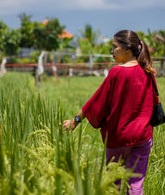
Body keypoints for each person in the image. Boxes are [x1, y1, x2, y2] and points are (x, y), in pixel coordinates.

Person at [63, 30, 159, 195]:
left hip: (118, 138)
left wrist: (75, 120)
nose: (112, 51)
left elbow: (96, 102)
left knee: (112, 185)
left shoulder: (117, 72)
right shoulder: (147, 71)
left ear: (128, 49)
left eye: (115, 47)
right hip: (143, 137)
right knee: (135, 185)